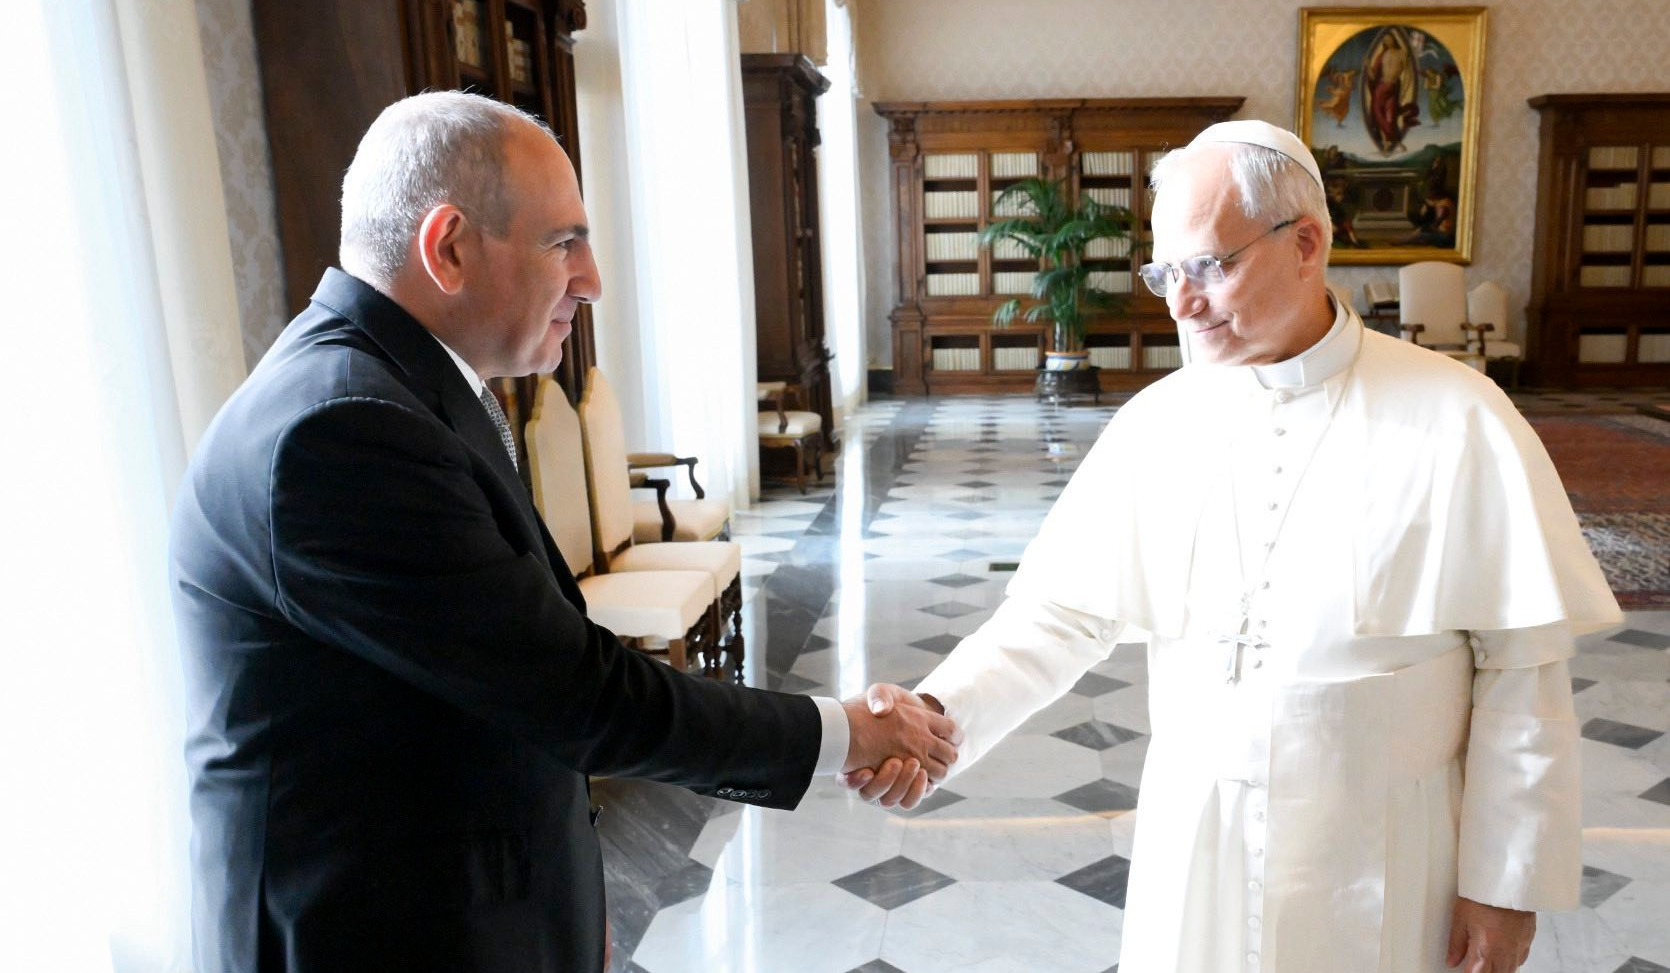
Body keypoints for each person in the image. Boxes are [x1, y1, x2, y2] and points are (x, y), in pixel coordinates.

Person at [169, 91, 958, 973]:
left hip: (471, 908)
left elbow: (499, 680)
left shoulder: (401, 389)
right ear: (450, 248)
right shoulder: (342, 430)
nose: (590, 279)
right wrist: (844, 731)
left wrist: (566, 896)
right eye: (563, 243)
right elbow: (577, 692)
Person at [843, 120, 1620, 973]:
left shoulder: (1459, 417)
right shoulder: (1156, 425)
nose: (1180, 302)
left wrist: (1503, 883)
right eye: (1165, 271)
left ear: (1307, 244)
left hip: (1389, 851)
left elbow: (1522, 666)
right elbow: (1058, 617)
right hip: (1197, 842)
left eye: (1209, 265)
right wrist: (936, 716)